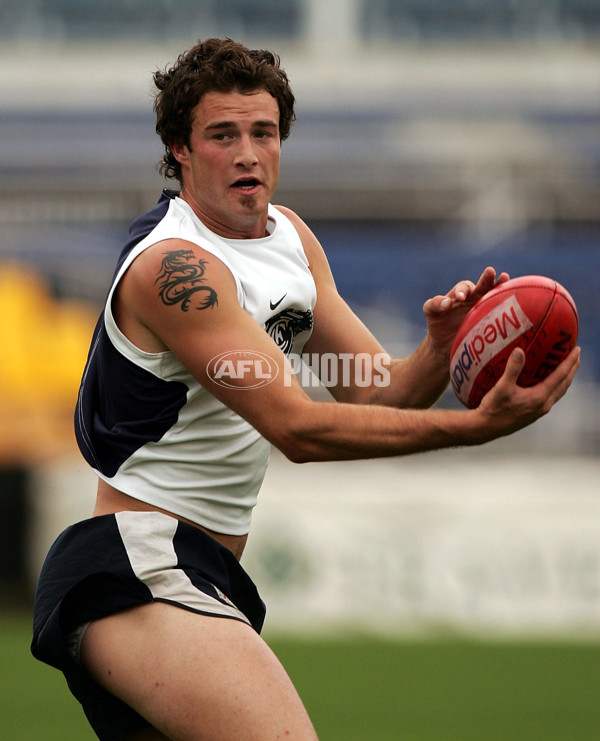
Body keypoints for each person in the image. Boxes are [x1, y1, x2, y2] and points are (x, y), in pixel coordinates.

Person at [31, 37, 580, 741]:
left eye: (263, 132)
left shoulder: (288, 236)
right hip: (139, 561)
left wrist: (439, 353)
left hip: (201, 571)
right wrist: (477, 429)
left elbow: (375, 394)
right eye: (221, 134)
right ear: (180, 150)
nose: (247, 153)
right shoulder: (177, 270)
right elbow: (299, 428)